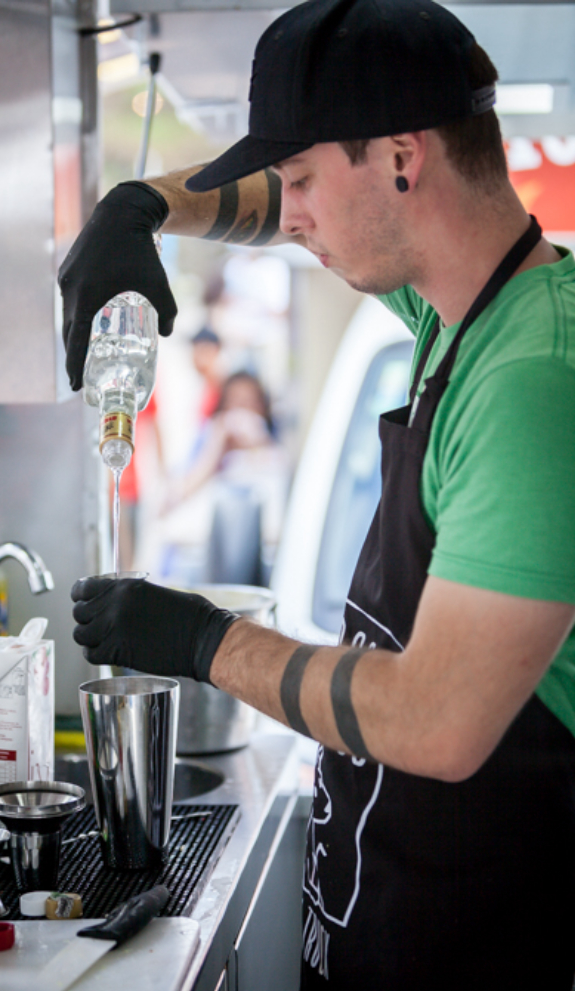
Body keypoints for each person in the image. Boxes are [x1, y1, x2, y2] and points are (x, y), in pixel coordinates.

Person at [59, 0, 575, 987]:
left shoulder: (535, 382)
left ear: (400, 158)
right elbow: (265, 209)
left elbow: (438, 721)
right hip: (395, 915)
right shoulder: (454, 308)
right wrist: (141, 207)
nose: (288, 213)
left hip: (493, 945)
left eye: (302, 177)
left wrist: (202, 639)